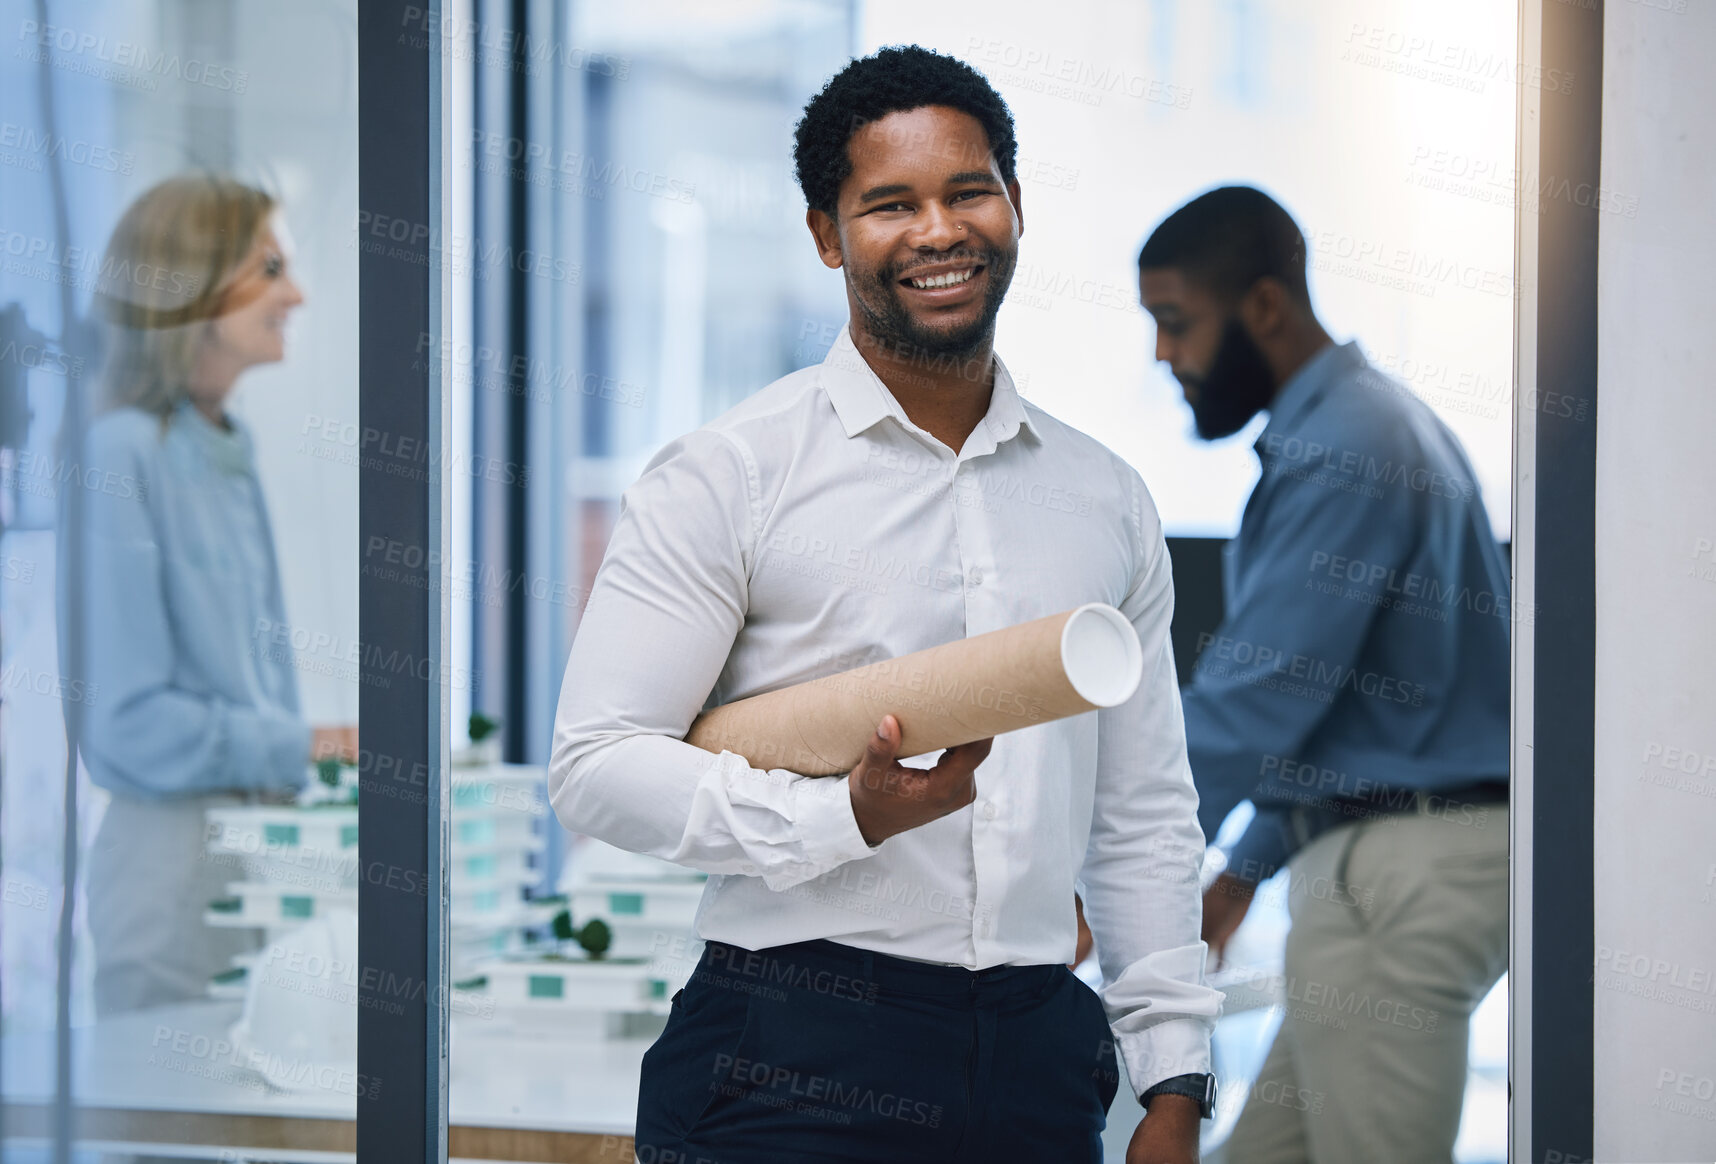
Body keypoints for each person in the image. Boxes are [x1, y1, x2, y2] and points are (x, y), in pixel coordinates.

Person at [552, 46, 1221, 1164]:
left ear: (1015, 207)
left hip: (1039, 1059)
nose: (939, 231)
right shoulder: (732, 475)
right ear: (826, 236)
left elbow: (1143, 813)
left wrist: (1173, 1078)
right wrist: (841, 817)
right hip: (790, 1055)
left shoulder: (1104, 498)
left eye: (969, 192)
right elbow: (598, 763)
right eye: (890, 205)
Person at [1136, 186, 1511, 1163]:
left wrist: (1118, 867)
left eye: (1178, 323)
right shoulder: (1363, 426)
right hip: (1386, 859)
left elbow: (1256, 702)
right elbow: (1338, 709)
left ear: (1263, 305)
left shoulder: (1348, 447)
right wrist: (1243, 870)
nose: (1164, 355)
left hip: (1401, 877)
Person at [63, 175, 358, 1017]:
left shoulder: (223, 443)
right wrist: (312, 745)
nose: (295, 294)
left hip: (243, 865)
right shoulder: (122, 453)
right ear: (189, 283)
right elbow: (125, 726)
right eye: (269, 268)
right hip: (170, 878)